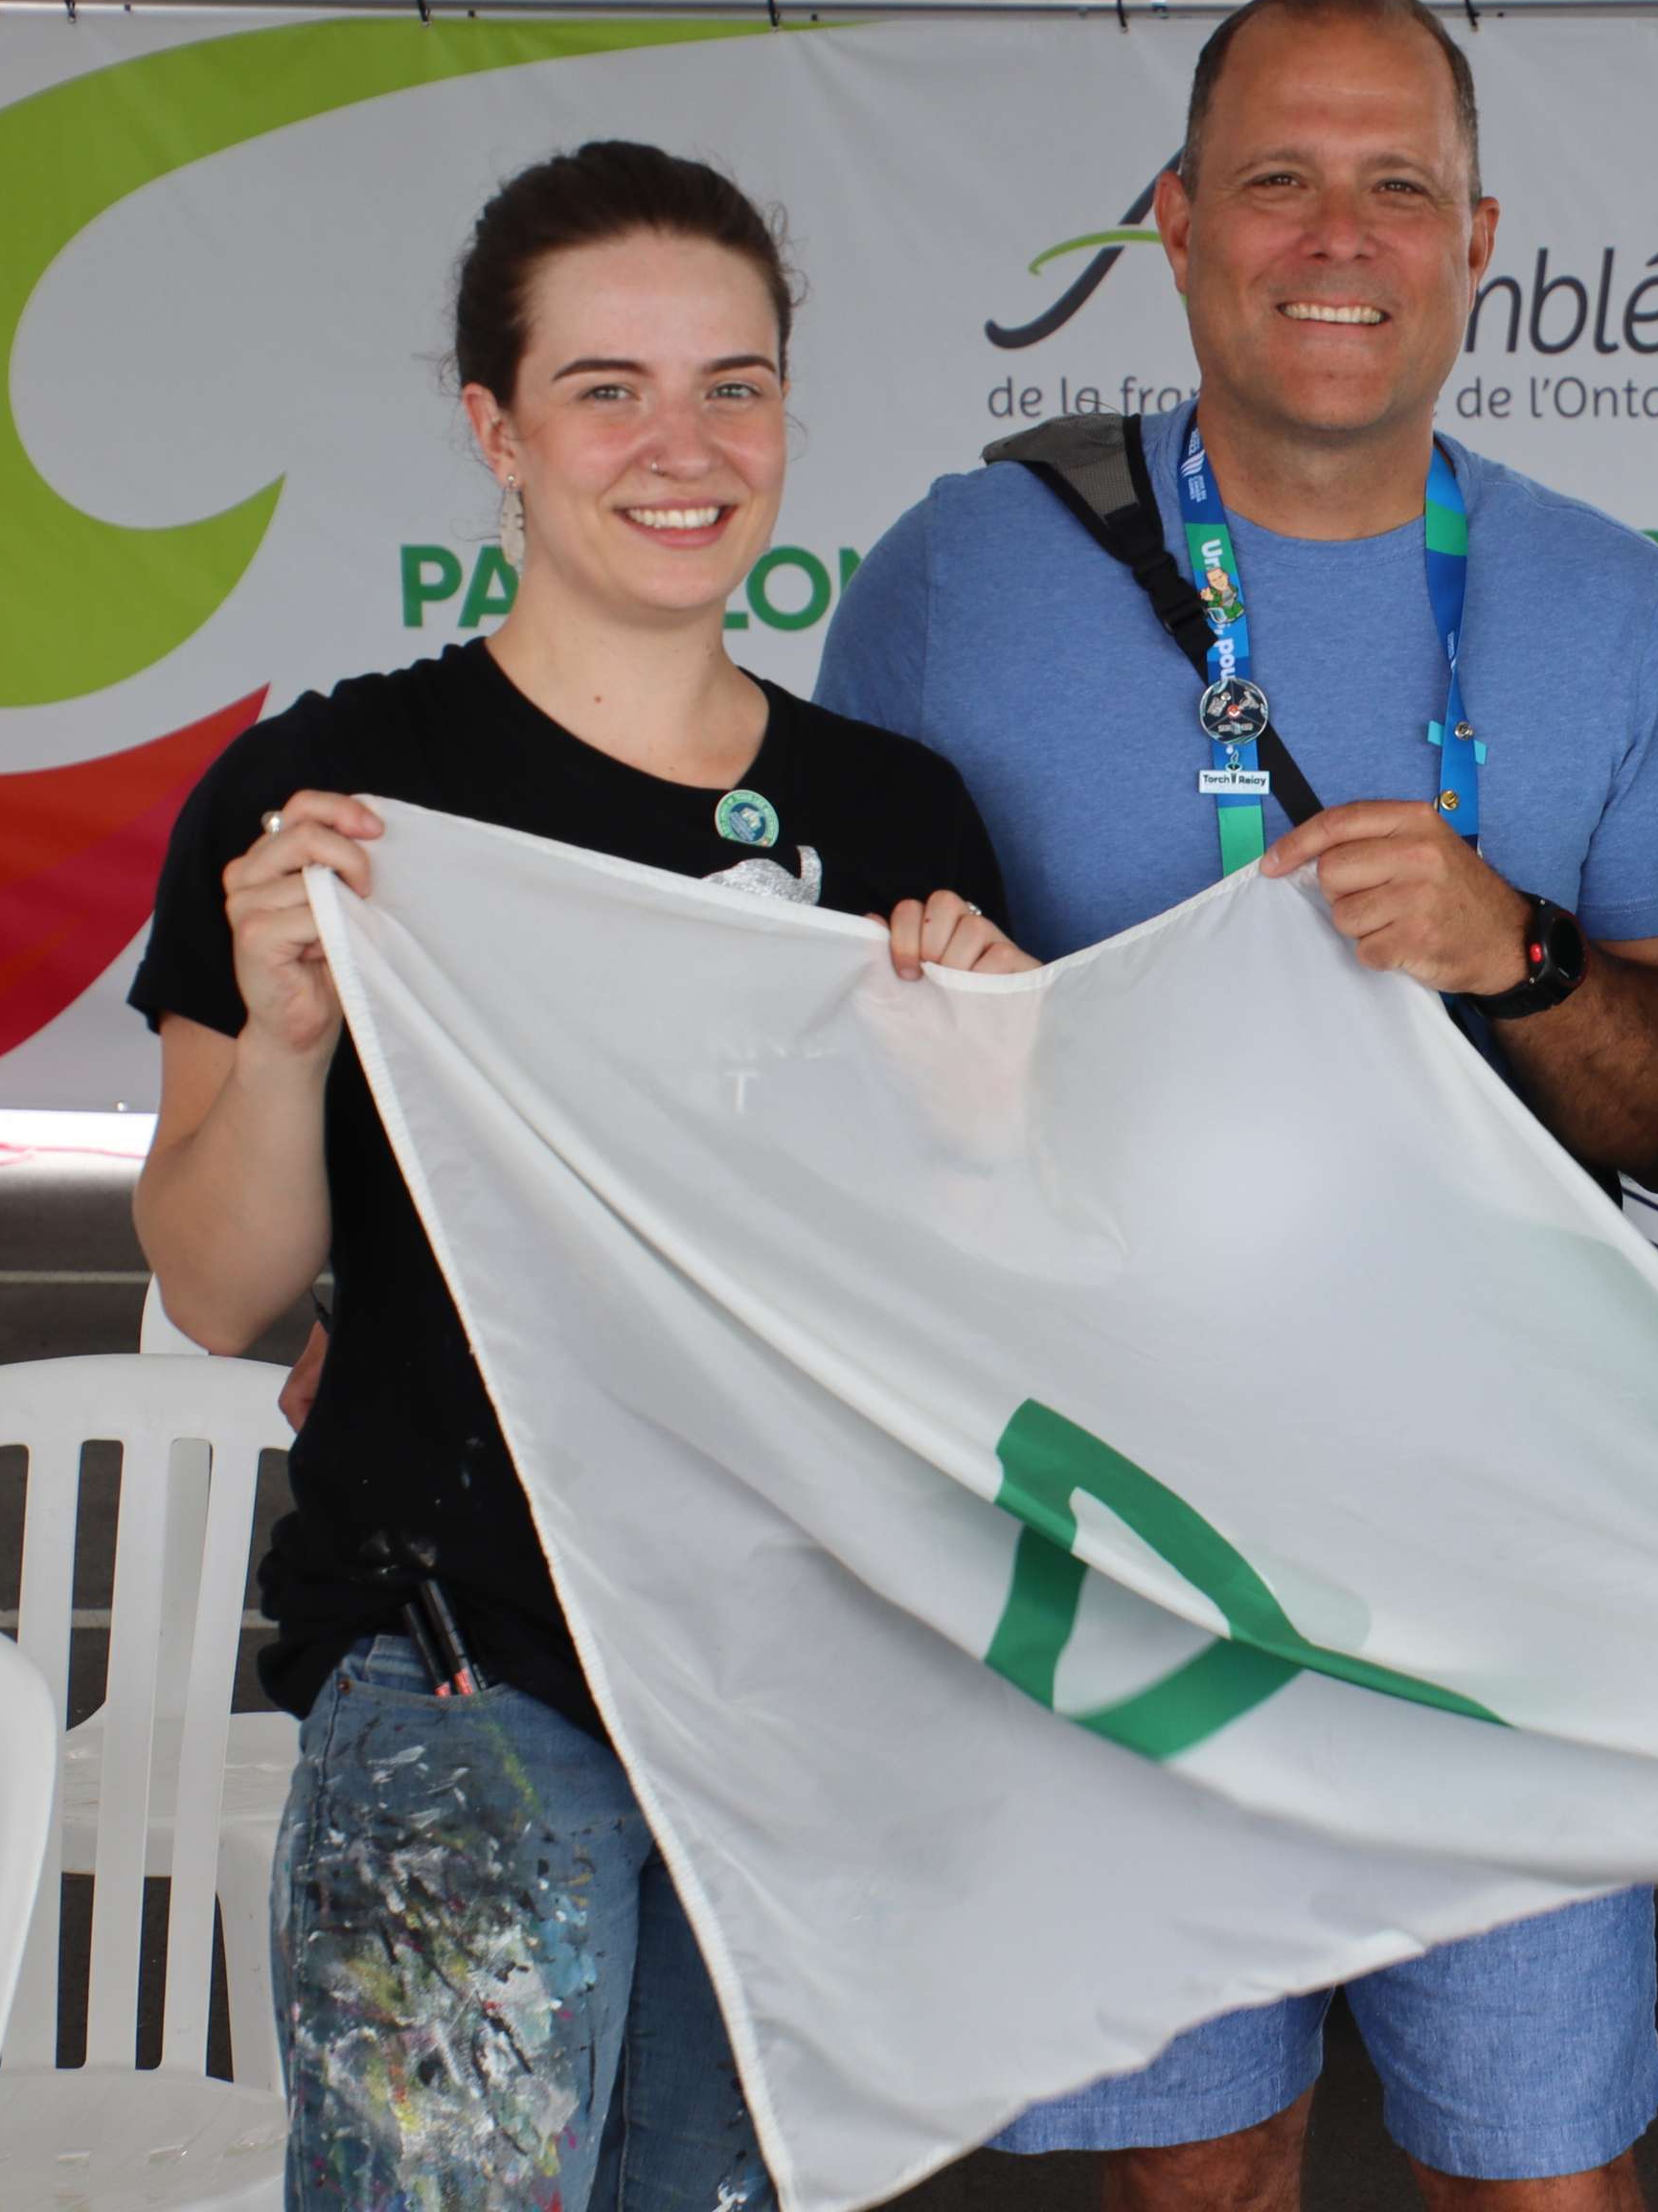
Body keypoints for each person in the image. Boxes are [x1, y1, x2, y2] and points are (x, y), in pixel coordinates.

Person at [815, 0, 1658, 2212]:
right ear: (1174, 221)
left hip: (1496, 1526)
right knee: (1196, 2165)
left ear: (1478, 237)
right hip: (1123, 1512)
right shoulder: (954, 572)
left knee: (1540, 2167)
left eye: (1394, 185)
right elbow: (834, 1053)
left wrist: (1509, 953)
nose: (1339, 235)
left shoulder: (1606, 604)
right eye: (1279, 179)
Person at [132, 141, 1023, 2212]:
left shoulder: (895, 813)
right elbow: (218, 1285)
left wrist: (986, 1092)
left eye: (736, 382)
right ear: (495, 429)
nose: (682, 445)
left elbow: (971, 1292)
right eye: (607, 386)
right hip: (472, 1678)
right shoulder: (332, 799)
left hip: (797, 1697)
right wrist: (281, 1044)